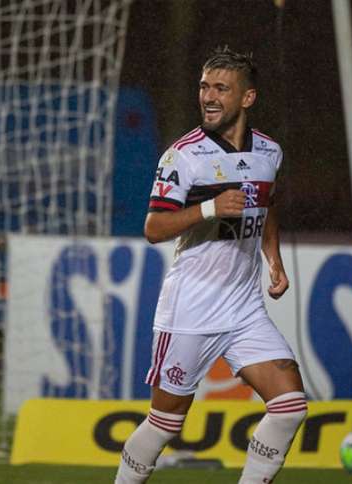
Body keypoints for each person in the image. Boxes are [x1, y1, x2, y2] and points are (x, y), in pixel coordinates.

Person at [115, 47, 306, 484]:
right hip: (190, 309)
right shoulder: (183, 157)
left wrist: (272, 260)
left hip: (244, 309)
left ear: (248, 98)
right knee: (165, 423)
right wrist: (210, 208)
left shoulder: (269, 153)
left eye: (221, 87)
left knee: (290, 406)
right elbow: (154, 227)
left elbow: (266, 204)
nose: (209, 96)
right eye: (204, 87)